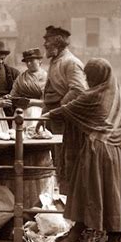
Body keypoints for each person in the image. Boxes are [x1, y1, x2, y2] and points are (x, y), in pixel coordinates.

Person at [44, 58, 121, 242]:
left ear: (96, 77)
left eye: (89, 76)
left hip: (98, 151)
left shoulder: (93, 96)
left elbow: (67, 110)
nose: (87, 80)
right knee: (114, 193)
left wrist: (46, 116)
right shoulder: (114, 93)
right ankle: (113, 241)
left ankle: (75, 236)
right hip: (118, 151)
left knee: (85, 191)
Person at [36, 25, 88, 194]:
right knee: (57, 159)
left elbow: (78, 90)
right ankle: (63, 198)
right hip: (54, 118)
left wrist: (58, 110)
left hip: (66, 120)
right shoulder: (55, 61)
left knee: (67, 160)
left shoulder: (71, 63)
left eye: (47, 40)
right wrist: (43, 115)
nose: (44, 44)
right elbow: (50, 92)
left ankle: (70, 201)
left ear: (57, 43)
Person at [8, 48, 47, 128]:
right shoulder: (21, 77)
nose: (28, 63)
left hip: (37, 111)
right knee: (18, 135)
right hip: (20, 111)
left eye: (32, 61)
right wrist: (10, 97)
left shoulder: (46, 77)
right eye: (26, 61)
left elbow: (47, 101)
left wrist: (31, 102)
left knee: (33, 133)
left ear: (40, 60)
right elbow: (14, 94)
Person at [0, 40, 20, 122]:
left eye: (2, 59)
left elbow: (19, 91)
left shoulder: (13, 73)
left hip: (8, 107)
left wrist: (10, 96)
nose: (0, 61)